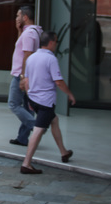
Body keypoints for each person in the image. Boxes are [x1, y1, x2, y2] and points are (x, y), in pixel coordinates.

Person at [20, 31, 76, 174]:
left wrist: (30, 98)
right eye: (56, 42)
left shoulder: (31, 58)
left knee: (54, 120)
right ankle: (26, 163)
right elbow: (58, 81)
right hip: (46, 101)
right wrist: (70, 94)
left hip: (35, 99)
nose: (56, 45)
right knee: (38, 130)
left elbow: (26, 81)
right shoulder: (51, 59)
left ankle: (64, 152)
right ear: (51, 43)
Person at [8, 5, 42, 147]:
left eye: (18, 15)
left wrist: (22, 77)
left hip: (21, 75)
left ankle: (36, 126)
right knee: (28, 108)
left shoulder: (29, 34)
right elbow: (21, 48)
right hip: (29, 74)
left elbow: (27, 55)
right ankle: (22, 138)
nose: (16, 18)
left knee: (13, 104)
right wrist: (18, 31)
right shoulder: (32, 32)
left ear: (25, 17)